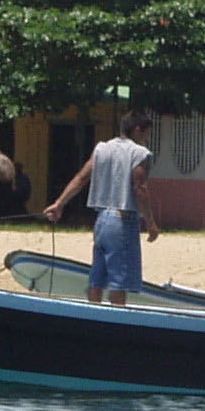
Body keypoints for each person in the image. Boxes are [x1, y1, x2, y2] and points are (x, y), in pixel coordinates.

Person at [44, 111, 160, 306]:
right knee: (118, 282)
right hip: (122, 220)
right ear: (138, 129)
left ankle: (93, 316)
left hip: (101, 220)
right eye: (146, 133)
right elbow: (140, 188)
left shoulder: (101, 149)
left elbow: (81, 178)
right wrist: (150, 223)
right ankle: (117, 322)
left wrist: (59, 203)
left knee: (97, 280)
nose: (147, 139)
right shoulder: (139, 153)